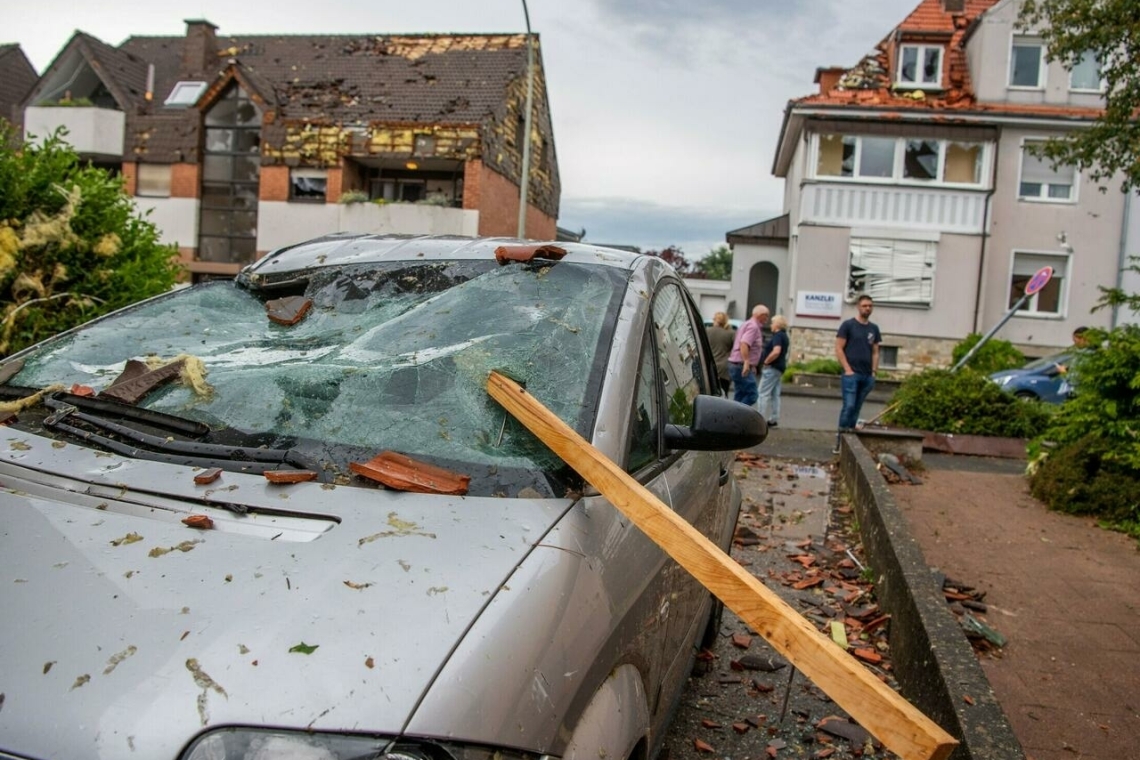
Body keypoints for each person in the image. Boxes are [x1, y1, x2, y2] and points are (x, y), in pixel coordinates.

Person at [834, 294, 881, 454]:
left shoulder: (873, 329)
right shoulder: (848, 325)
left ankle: (851, 442)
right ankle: (840, 439)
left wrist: (874, 372)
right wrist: (847, 369)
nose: (867, 308)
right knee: (849, 406)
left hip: (867, 375)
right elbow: (839, 348)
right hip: (851, 375)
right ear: (858, 307)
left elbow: (875, 351)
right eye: (864, 305)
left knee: (857, 408)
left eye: (870, 306)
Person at [728, 304, 770, 407]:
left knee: (740, 394)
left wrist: (752, 365)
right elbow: (744, 343)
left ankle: (734, 419)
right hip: (741, 365)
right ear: (760, 315)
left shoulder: (746, 324)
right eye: (766, 315)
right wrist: (747, 362)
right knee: (752, 395)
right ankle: (737, 414)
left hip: (737, 364)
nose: (767, 319)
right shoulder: (753, 326)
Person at [757, 315, 789, 427]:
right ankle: (774, 418)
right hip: (779, 368)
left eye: (772, 323)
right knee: (775, 394)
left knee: (762, 393)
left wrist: (766, 361)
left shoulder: (777, 336)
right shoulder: (784, 336)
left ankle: (759, 419)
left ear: (777, 325)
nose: (770, 325)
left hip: (772, 367)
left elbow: (776, 351)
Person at [706, 312, 736, 396]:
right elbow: (736, 350)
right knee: (723, 394)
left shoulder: (707, 331)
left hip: (710, 367)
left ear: (714, 319)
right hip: (724, 368)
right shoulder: (731, 333)